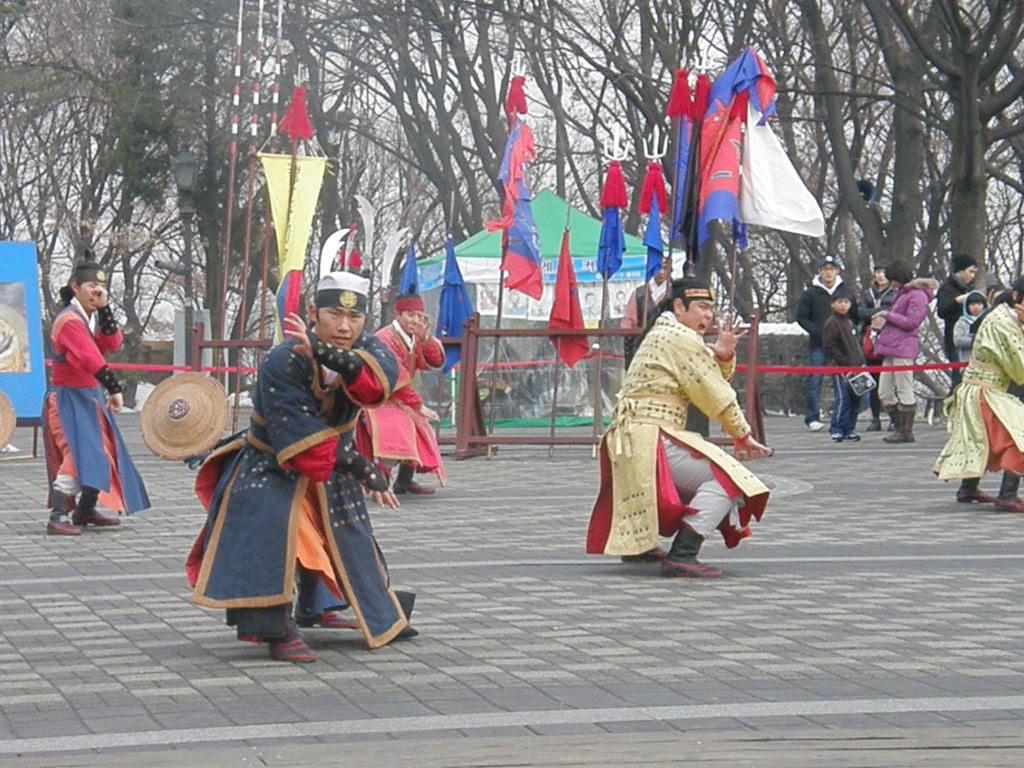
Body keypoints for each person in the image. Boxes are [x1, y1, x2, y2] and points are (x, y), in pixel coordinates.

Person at [186, 272, 416, 663]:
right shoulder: (282, 360)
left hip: (334, 464)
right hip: (273, 462)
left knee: (349, 540)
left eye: (355, 318)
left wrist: (326, 354)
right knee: (275, 532)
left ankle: (325, 607)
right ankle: (275, 629)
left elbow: (378, 385)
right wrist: (364, 469)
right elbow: (300, 434)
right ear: (312, 313)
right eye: (333, 315)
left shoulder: (368, 349)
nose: (345, 326)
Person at [586, 277, 772, 578]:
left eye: (710, 308)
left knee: (659, 490)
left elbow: (706, 377)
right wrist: (743, 435)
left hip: (633, 434)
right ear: (678, 307)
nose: (708, 315)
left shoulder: (665, 334)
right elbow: (714, 392)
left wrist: (723, 355)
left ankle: (639, 547)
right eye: (701, 307)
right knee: (730, 481)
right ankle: (683, 554)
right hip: (651, 433)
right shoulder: (680, 339)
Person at [42, 258, 149, 535]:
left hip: (88, 397)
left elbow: (110, 343)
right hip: (68, 399)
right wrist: (115, 388)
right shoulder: (68, 321)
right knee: (79, 454)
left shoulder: (85, 319)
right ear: (75, 287)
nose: (96, 291)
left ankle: (85, 509)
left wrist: (106, 310)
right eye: (91, 286)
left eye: (101, 287)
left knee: (103, 453)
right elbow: (91, 358)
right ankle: (58, 515)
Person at [934, 276, 1024, 513]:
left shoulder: (1001, 318)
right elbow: (1021, 369)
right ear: (1017, 299)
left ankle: (969, 487)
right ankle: (1008, 495)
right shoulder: (1004, 324)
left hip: (980, 390)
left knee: (980, 439)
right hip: (987, 392)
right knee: (1018, 438)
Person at [358, 292, 445, 495]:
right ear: (397, 315)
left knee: (420, 429)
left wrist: (425, 339)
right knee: (396, 431)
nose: (415, 320)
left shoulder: (415, 337)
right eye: (410, 315)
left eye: (419, 315)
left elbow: (435, 361)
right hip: (377, 398)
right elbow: (395, 376)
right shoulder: (384, 338)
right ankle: (379, 481)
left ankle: (404, 481)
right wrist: (419, 406)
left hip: (400, 399)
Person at [870, 260, 938, 444]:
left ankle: (905, 430)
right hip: (889, 347)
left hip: (904, 348)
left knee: (904, 388)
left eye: (893, 279)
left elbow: (911, 322)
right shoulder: (901, 295)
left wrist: (887, 315)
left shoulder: (917, 296)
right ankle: (899, 425)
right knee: (884, 392)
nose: (890, 283)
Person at [796, 255, 858, 431]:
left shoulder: (845, 291)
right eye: (825, 269)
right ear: (819, 272)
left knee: (844, 380)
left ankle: (843, 416)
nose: (828, 273)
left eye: (831, 269)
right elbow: (801, 317)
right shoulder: (811, 293)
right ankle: (812, 417)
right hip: (818, 344)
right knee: (815, 380)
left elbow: (855, 315)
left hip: (843, 345)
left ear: (837, 271)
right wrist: (819, 332)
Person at [821, 294, 863, 442]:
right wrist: (843, 361)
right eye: (840, 302)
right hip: (841, 368)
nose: (843, 305)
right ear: (833, 304)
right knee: (843, 398)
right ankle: (837, 428)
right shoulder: (832, 323)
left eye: (846, 302)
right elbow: (829, 346)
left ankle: (849, 428)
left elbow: (857, 344)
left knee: (856, 399)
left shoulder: (850, 322)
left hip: (856, 367)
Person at [859, 264, 895, 431]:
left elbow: (894, 312)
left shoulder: (895, 293)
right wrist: (880, 312)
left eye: (884, 273)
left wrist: (881, 313)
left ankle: (894, 418)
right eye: (878, 272)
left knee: (891, 382)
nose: (881, 276)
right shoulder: (868, 293)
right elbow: (862, 313)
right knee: (874, 381)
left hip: (889, 339)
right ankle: (875, 418)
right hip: (870, 340)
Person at [935, 253, 979, 391]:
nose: (973, 276)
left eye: (975, 272)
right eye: (970, 271)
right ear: (960, 271)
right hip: (954, 338)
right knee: (958, 378)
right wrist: (956, 302)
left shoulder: (971, 289)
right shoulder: (946, 289)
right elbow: (941, 312)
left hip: (971, 338)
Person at [620, 260, 671, 369]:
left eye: (665, 268)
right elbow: (628, 323)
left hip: (669, 346)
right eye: (658, 268)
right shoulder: (639, 293)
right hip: (642, 346)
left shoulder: (675, 293)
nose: (661, 272)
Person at [952, 291, 987, 362]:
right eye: (972, 304)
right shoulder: (962, 322)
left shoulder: (989, 321)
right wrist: (976, 341)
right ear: (966, 306)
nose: (976, 307)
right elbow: (958, 340)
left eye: (979, 304)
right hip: (968, 362)